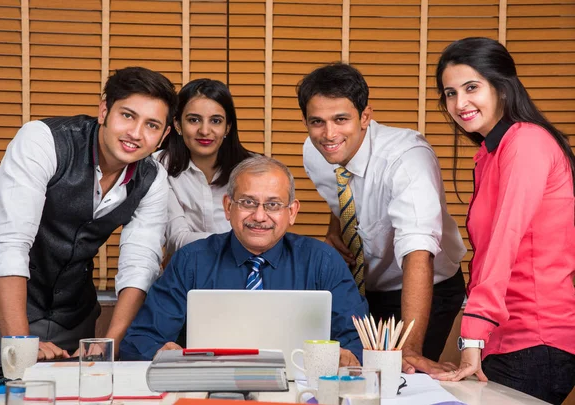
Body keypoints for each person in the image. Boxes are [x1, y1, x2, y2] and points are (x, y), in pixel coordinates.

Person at [0, 67, 177, 366]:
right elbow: (8, 245)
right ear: (104, 110)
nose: (136, 133)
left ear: (164, 135)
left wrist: (111, 344)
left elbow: (140, 264)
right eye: (127, 115)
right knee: (6, 389)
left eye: (151, 125)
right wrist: (20, 343)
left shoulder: (153, 179)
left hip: (74, 315)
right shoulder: (43, 140)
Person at [431, 37, 575, 404]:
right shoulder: (491, 152)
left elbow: (503, 242)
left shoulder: (526, 143)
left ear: (502, 86)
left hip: (535, 339)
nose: (459, 103)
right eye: (450, 93)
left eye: (471, 87)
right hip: (508, 339)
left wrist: (472, 337)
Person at [298, 63, 467, 375]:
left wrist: (411, 347)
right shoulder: (315, 150)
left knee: (401, 375)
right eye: (317, 122)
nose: (329, 133)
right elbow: (341, 191)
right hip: (360, 289)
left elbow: (418, 251)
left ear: (365, 116)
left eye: (340, 119)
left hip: (422, 287)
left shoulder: (407, 158)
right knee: (355, 377)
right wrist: (335, 229)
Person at [120, 155, 368, 366]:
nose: (259, 216)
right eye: (248, 202)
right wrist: (160, 352)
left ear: (291, 212)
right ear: (228, 207)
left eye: (272, 205)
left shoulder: (323, 262)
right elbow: (140, 340)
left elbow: (357, 342)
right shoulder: (191, 261)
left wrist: (348, 357)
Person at [156, 78, 252, 256]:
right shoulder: (159, 167)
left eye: (216, 121)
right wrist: (242, 241)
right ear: (177, 124)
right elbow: (178, 239)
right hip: (187, 271)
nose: (205, 131)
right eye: (194, 120)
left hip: (245, 271)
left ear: (227, 127)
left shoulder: (253, 169)